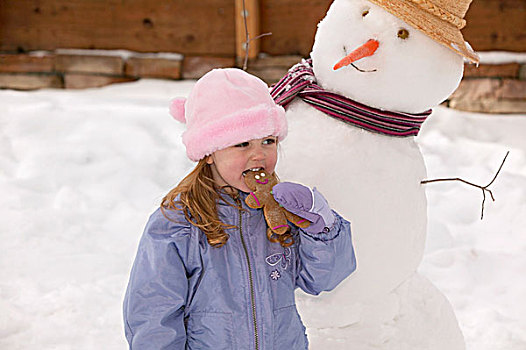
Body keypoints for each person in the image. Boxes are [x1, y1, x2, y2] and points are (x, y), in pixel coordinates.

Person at [123, 68, 356, 349]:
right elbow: (153, 313)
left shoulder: (282, 211)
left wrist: (321, 226)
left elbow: (322, 279)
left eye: (268, 141)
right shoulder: (177, 223)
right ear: (209, 152)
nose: (259, 154)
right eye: (242, 143)